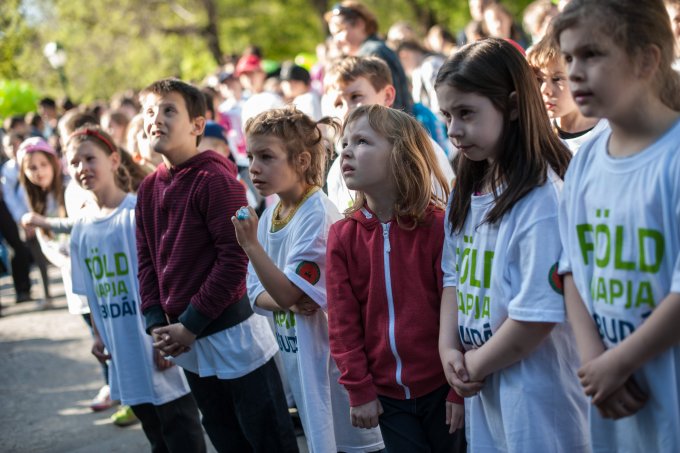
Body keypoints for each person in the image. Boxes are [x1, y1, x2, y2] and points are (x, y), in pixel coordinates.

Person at [435, 38, 589, 452]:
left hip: (539, 399)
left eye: (466, 113)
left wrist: (472, 365)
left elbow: (536, 315)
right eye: (447, 115)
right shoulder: (467, 188)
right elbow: (453, 274)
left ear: (515, 106)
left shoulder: (542, 197)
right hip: (487, 389)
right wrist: (447, 346)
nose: (453, 130)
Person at [135, 78, 298, 453]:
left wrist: (190, 324)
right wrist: (157, 322)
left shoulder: (215, 179)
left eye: (168, 110)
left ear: (197, 125)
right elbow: (146, 259)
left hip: (232, 335)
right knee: (226, 437)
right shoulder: (148, 188)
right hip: (186, 340)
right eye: (148, 112)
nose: (155, 118)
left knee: (267, 435)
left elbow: (233, 259)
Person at [553, 1, 680, 451]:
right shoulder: (585, 159)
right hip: (611, 398)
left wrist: (620, 361)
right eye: (568, 58)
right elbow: (570, 269)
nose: (575, 71)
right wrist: (595, 360)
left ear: (647, 59)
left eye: (592, 54)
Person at [232, 106, 385, 453]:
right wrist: (281, 294)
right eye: (251, 156)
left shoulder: (315, 215)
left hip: (334, 373)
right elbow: (255, 292)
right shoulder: (271, 213)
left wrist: (251, 246)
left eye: (266, 157)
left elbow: (282, 293)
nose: (254, 167)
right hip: (301, 362)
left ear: (301, 160)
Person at [327, 104, 465, 452]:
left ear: (400, 154)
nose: (346, 151)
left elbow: (460, 310)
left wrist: (457, 389)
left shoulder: (437, 226)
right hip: (387, 399)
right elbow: (342, 323)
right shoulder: (343, 236)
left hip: (443, 389)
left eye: (361, 142)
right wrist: (358, 390)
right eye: (344, 143)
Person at [66, 125, 206, 452]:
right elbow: (91, 296)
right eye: (74, 162)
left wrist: (166, 337)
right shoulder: (81, 229)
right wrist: (98, 336)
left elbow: (164, 278)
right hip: (123, 350)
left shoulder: (134, 213)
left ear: (114, 160)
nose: (82, 168)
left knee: (180, 429)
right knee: (154, 431)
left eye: (90, 158)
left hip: (157, 346)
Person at [323, 56, 454, 212]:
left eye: (356, 97)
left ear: (387, 96)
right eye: (338, 103)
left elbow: (442, 210)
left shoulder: (420, 150)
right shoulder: (339, 169)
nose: (346, 109)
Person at [324, 1, 413, 113]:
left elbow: (391, 104)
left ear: (360, 24)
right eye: (333, 35)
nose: (336, 41)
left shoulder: (371, 53)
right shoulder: (378, 48)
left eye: (339, 31)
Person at [527, 35, 609, 153]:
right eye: (539, 80)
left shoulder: (611, 136)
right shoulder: (536, 134)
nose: (545, 90)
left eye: (557, 79)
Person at [16, 137, 66, 309]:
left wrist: (43, 222)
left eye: (44, 164)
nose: (39, 172)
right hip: (68, 270)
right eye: (32, 168)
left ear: (54, 163)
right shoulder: (33, 197)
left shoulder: (68, 189)